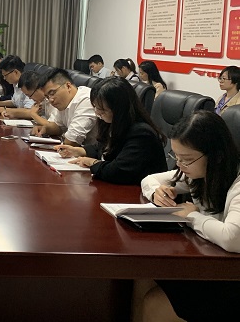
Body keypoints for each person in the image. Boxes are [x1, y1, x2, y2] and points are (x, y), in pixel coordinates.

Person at [140, 111, 240, 322]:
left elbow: (232, 237)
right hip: (211, 264)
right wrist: (156, 192)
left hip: (232, 276)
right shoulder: (200, 173)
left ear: (217, 155)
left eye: (186, 159)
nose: (179, 165)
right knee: (141, 278)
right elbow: (149, 180)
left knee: (153, 303)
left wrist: (193, 216)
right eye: (176, 157)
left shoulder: (236, 182)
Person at [56, 77, 167, 184]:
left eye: (102, 109)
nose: (97, 112)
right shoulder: (111, 122)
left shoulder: (142, 133)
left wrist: (92, 162)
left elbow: (119, 171)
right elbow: (102, 148)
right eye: (95, 107)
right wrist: (77, 151)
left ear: (119, 108)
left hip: (139, 191)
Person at [31, 68, 97, 146]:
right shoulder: (64, 102)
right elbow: (58, 127)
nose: (50, 100)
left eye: (52, 93)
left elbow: (71, 141)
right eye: (47, 96)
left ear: (68, 86)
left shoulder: (86, 100)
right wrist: (45, 129)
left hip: (96, 151)